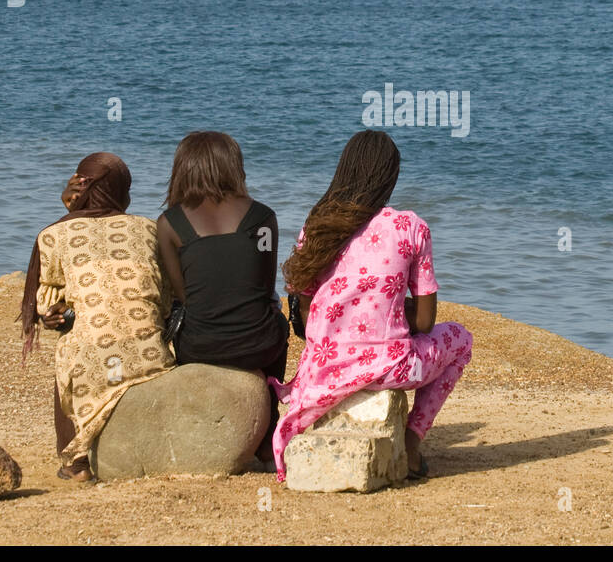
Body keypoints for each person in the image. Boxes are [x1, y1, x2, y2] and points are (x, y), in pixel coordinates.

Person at [272, 130, 472, 482]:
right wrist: (389, 309)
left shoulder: (317, 225)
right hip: (390, 366)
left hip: (326, 367)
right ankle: (411, 441)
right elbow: (426, 322)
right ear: (390, 177)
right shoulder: (410, 227)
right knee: (461, 339)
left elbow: (305, 315)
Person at [18, 152, 174, 481]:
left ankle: (75, 463)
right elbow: (165, 298)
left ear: (79, 188)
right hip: (154, 359)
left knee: (69, 349)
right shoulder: (147, 227)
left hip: (96, 366)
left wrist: (73, 212)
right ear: (121, 192)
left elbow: (48, 304)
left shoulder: (53, 235)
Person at [156, 131, 288, 467]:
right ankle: (268, 433)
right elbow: (262, 286)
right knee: (278, 320)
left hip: (199, 345)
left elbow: (184, 295)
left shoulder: (170, 224)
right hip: (259, 344)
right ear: (234, 167)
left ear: (183, 169)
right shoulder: (262, 218)